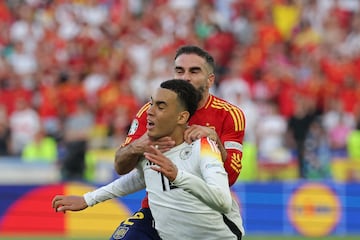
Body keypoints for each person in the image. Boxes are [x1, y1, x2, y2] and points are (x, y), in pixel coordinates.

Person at [51, 45, 246, 239]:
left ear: (210, 79)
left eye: (194, 71)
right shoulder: (151, 114)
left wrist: (216, 144)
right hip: (158, 213)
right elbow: (127, 169)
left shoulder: (228, 117)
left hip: (204, 217)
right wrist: (138, 146)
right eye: (179, 71)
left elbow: (228, 180)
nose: (185, 77)